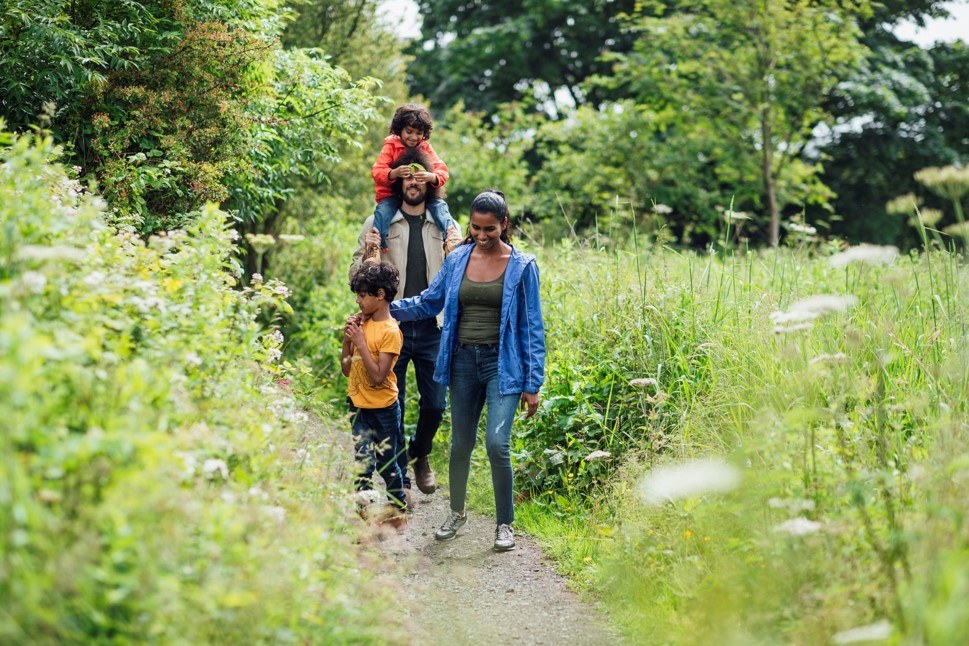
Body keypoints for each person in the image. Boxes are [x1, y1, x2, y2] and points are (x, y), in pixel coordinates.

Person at [391, 189, 546, 552]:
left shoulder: (522, 266)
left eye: (489, 229)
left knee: (497, 443)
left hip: (503, 365)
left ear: (504, 225)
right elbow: (431, 301)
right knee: (460, 444)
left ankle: (504, 524)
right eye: (475, 227)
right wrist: (387, 309)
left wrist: (533, 382)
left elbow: (532, 327)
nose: (480, 235)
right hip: (461, 361)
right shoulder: (459, 258)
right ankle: (457, 513)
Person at [350, 149, 463, 500]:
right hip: (390, 323)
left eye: (419, 176)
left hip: (433, 324)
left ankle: (421, 453)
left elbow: (461, 269)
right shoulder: (378, 223)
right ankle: (401, 481)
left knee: (434, 405)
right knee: (390, 405)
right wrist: (370, 257)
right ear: (397, 179)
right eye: (407, 176)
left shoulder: (447, 225)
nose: (412, 183)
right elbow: (355, 273)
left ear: (430, 181)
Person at [342, 262, 407, 515]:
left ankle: (397, 509)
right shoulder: (362, 324)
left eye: (362, 295)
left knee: (388, 464)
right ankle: (363, 516)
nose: (358, 301)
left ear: (380, 295)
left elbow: (379, 376)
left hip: (384, 410)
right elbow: (347, 370)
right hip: (358, 405)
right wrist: (348, 342)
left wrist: (360, 341)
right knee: (362, 464)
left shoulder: (391, 331)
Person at [371, 103, 454, 251]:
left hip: (422, 195)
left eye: (419, 133)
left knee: (440, 207)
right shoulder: (391, 145)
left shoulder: (425, 147)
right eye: (409, 131)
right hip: (392, 194)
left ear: (424, 133)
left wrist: (431, 177)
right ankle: (378, 244)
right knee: (382, 212)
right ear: (400, 129)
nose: (414, 137)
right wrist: (394, 173)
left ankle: (450, 239)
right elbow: (377, 171)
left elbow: (443, 171)